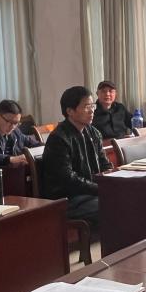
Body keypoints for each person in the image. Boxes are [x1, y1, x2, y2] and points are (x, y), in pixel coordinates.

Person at [42, 86, 112, 224]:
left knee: (127, 197)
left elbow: (105, 164)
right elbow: (68, 178)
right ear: (70, 111)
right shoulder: (59, 138)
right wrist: (99, 189)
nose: (92, 110)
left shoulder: (94, 133)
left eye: (93, 105)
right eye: (86, 106)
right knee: (113, 205)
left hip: (90, 193)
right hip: (68, 199)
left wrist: (113, 183)